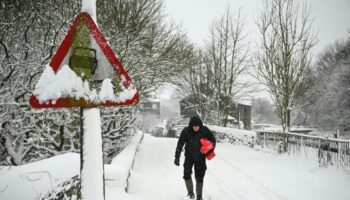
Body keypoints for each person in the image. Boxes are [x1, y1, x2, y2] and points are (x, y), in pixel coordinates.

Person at [174, 116, 216, 200]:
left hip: (200, 157)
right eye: (194, 126)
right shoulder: (186, 131)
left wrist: (210, 150)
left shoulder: (204, 130)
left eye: (197, 126)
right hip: (189, 156)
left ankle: (199, 196)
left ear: (200, 125)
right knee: (186, 174)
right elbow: (180, 144)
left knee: (199, 177)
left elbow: (213, 140)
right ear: (191, 125)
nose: (196, 128)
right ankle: (190, 192)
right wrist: (177, 157)